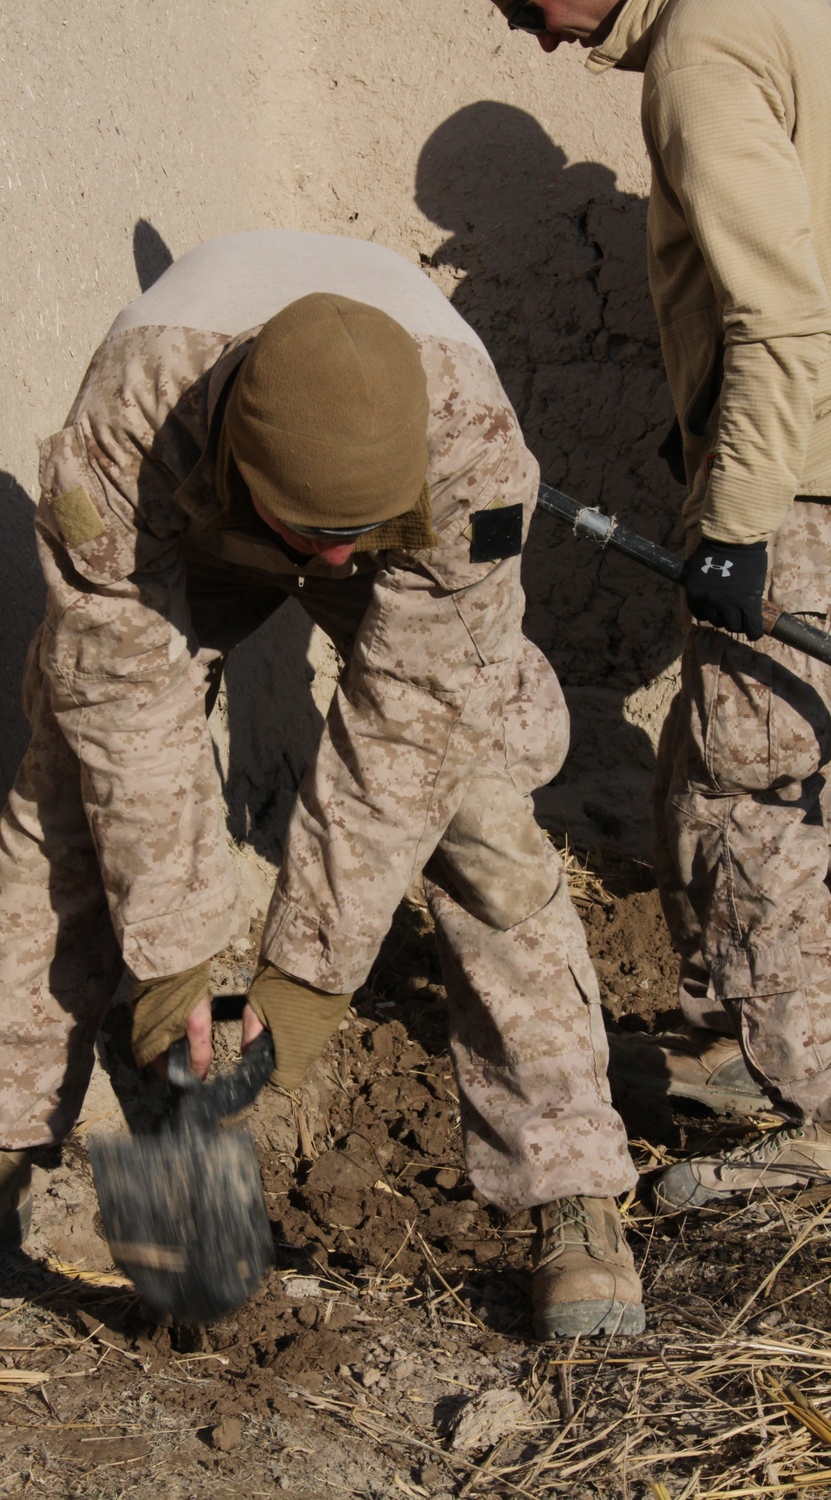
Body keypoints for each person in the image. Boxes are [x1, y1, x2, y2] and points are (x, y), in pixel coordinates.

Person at [0, 229, 642, 1338]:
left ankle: (572, 1193)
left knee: (474, 803)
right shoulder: (125, 430)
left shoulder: (475, 457)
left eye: (349, 539)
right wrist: (177, 987)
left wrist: (300, 992)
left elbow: (408, 732)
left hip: (414, 545)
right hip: (192, 527)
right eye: (312, 537)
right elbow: (128, 725)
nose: (324, 568)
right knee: (72, 776)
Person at [493, 0, 831, 1208]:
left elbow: (781, 312)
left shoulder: (702, 50)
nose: (530, 31)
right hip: (799, 460)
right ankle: (741, 1043)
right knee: (706, 763)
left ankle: (805, 1114)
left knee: (752, 785)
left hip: (798, 476)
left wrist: (738, 524)